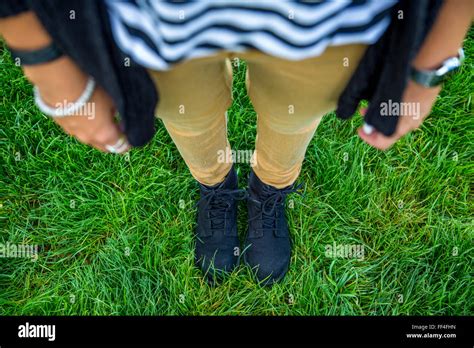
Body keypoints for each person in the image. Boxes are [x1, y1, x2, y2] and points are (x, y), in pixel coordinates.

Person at [0, 0, 472, 285]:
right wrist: (46, 65)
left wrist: (433, 59)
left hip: (328, 23)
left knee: (294, 119)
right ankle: (215, 187)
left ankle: (269, 191)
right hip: (152, 20)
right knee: (189, 118)